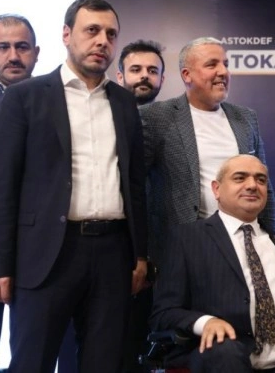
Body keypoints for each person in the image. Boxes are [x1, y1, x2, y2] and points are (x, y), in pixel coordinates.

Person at [0, 0, 148, 372]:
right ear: (66, 34)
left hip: (113, 254)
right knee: (32, 362)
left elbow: (134, 184)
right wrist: (1, 264)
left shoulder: (124, 103)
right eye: (92, 30)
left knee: (104, 363)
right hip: (46, 253)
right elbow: (4, 187)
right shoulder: (25, 97)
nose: (102, 41)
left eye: (110, 34)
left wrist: (140, 255)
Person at [150, 154, 275, 373]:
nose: (252, 185)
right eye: (240, 178)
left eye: (260, 180)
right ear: (217, 189)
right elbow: (164, 313)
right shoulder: (188, 239)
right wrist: (206, 322)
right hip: (225, 360)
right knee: (226, 352)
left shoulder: (273, 240)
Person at [140, 36, 275, 270]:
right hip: (180, 251)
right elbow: (136, 187)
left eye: (225, 64)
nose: (223, 72)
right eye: (212, 65)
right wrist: (141, 254)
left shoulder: (246, 118)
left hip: (242, 248)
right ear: (187, 75)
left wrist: (271, 242)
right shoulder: (156, 117)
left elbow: (266, 186)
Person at [117, 39, 165, 373]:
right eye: (136, 70)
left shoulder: (172, 124)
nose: (144, 76)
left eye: (152, 70)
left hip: (159, 259)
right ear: (120, 76)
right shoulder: (102, 120)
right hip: (109, 253)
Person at [0, 13, 40, 366]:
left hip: (41, 250)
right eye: (2, 47)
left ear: (36, 53)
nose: (13, 56)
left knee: (33, 355)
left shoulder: (59, 101)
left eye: (22, 47)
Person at [116, 39, 165, 105]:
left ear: (161, 81)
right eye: (136, 70)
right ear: (120, 78)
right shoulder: (105, 111)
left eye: (152, 71)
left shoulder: (171, 111)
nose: (145, 75)